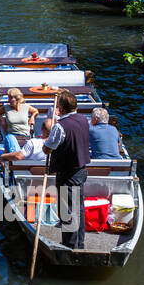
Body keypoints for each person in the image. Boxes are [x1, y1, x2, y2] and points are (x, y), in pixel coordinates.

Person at [43, 88, 91, 249]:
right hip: (81, 170)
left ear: (61, 108)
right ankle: (80, 242)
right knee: (79, 207)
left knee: (67, 209)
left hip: (67, 172)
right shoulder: (84, 119)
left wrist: (46, 145)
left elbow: (48, 148)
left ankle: (70, 245)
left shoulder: (60, 126)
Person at [1, 87, 39, 154]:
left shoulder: (26, 107)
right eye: (8, 98)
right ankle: (14, 156)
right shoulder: (6, 108)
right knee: (11, 141)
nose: (8, 100)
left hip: (26, 136)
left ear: (17, 99)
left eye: (10, 98)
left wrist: (32, 117)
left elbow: (36, 111)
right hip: (12, 136)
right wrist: (2, 119)